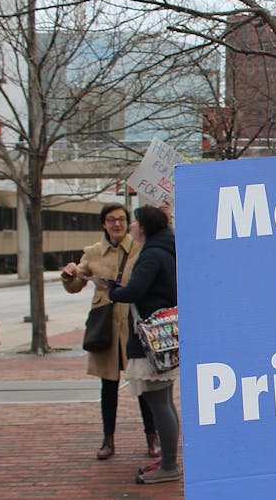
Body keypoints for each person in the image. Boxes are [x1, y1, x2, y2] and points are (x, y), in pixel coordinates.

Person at [60, 203, 159, 460]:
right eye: (111, 220)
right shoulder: (93, 253)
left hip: (134, 325)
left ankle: (152, 437)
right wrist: (69, 275)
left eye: (122, 220)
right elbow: (76, 283)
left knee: (143, 384)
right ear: (103, 223)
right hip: (105, 327)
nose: (116, 224)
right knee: (108, 386)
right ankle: (108, 440)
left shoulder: (141, 248)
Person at [108, 205, 181, 484]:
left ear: (145, 226)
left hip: (152, 340)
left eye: (135, 221)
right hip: (164, 339)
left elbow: (135, 290)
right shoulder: (167, 249)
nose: (132, 226)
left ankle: (170, 465)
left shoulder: (151, 254)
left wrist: (113, 290)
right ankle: (168, 461)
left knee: (158, 402)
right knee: (164, 401)